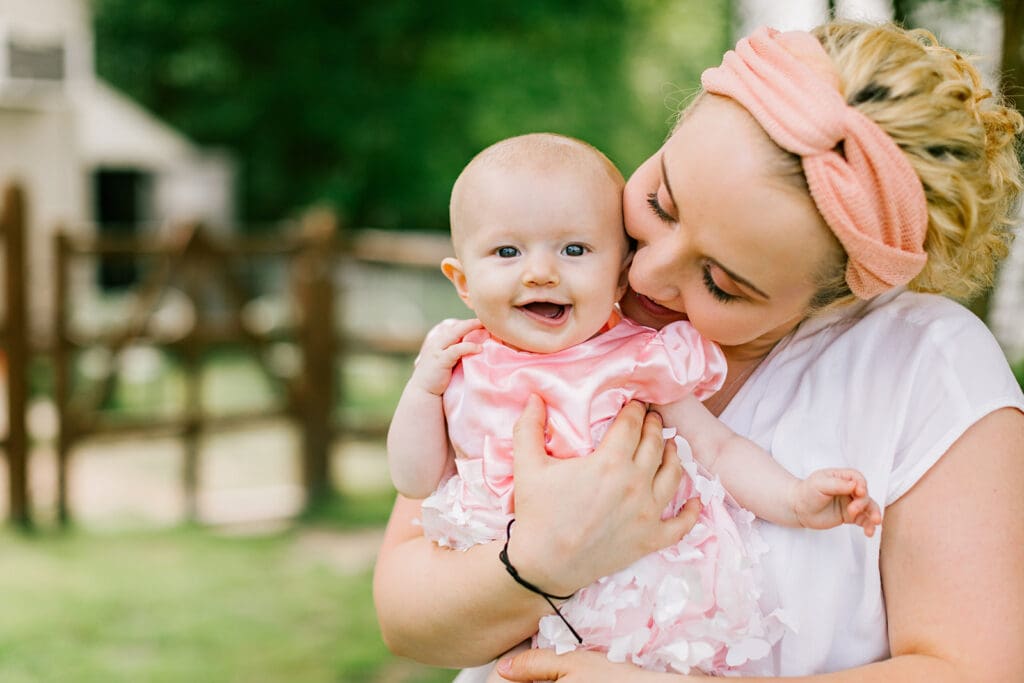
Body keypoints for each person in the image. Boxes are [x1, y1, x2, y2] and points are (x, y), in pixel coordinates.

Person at [374, 20, 1024, 681]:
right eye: (661, 201)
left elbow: (977, 668)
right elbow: (404, 613)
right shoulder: (559, 292)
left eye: (721, 282)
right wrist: (540, 560)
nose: (648, 273)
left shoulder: (926, 368)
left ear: (832, 299)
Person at [386, 132, 881, 678]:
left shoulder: (638, 359)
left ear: (620, 272)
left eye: (574, 250)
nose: (540, 272)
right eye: (508, 252)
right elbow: (416, 479)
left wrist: (794, 498)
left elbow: (717, 448)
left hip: (640, 603)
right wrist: (423, 392)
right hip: (512, 605)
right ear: (462, 281)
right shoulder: (461, 360)